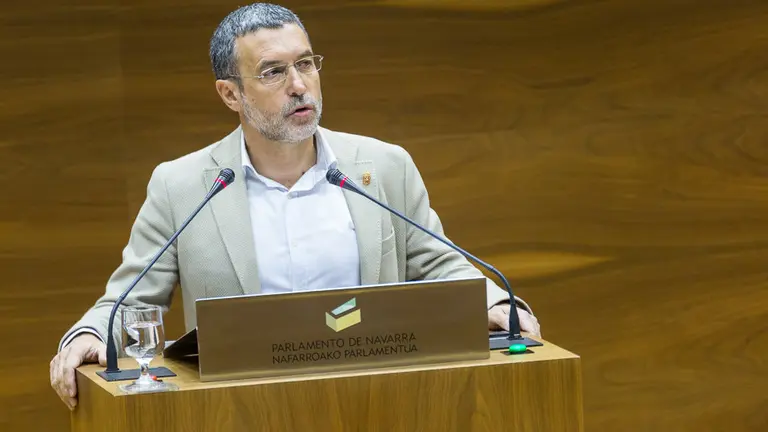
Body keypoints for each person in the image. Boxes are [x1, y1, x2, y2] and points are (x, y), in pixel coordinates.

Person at [49, 2, 541, 410]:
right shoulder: (182, 186)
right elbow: (131, 300)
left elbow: (440, 265)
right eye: (273, 72)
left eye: (305, 64)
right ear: (230, 94)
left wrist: (497, 303)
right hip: (240, 412)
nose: (299, 85)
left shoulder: (383, 167)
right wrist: (88, 335)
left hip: (378, 404)